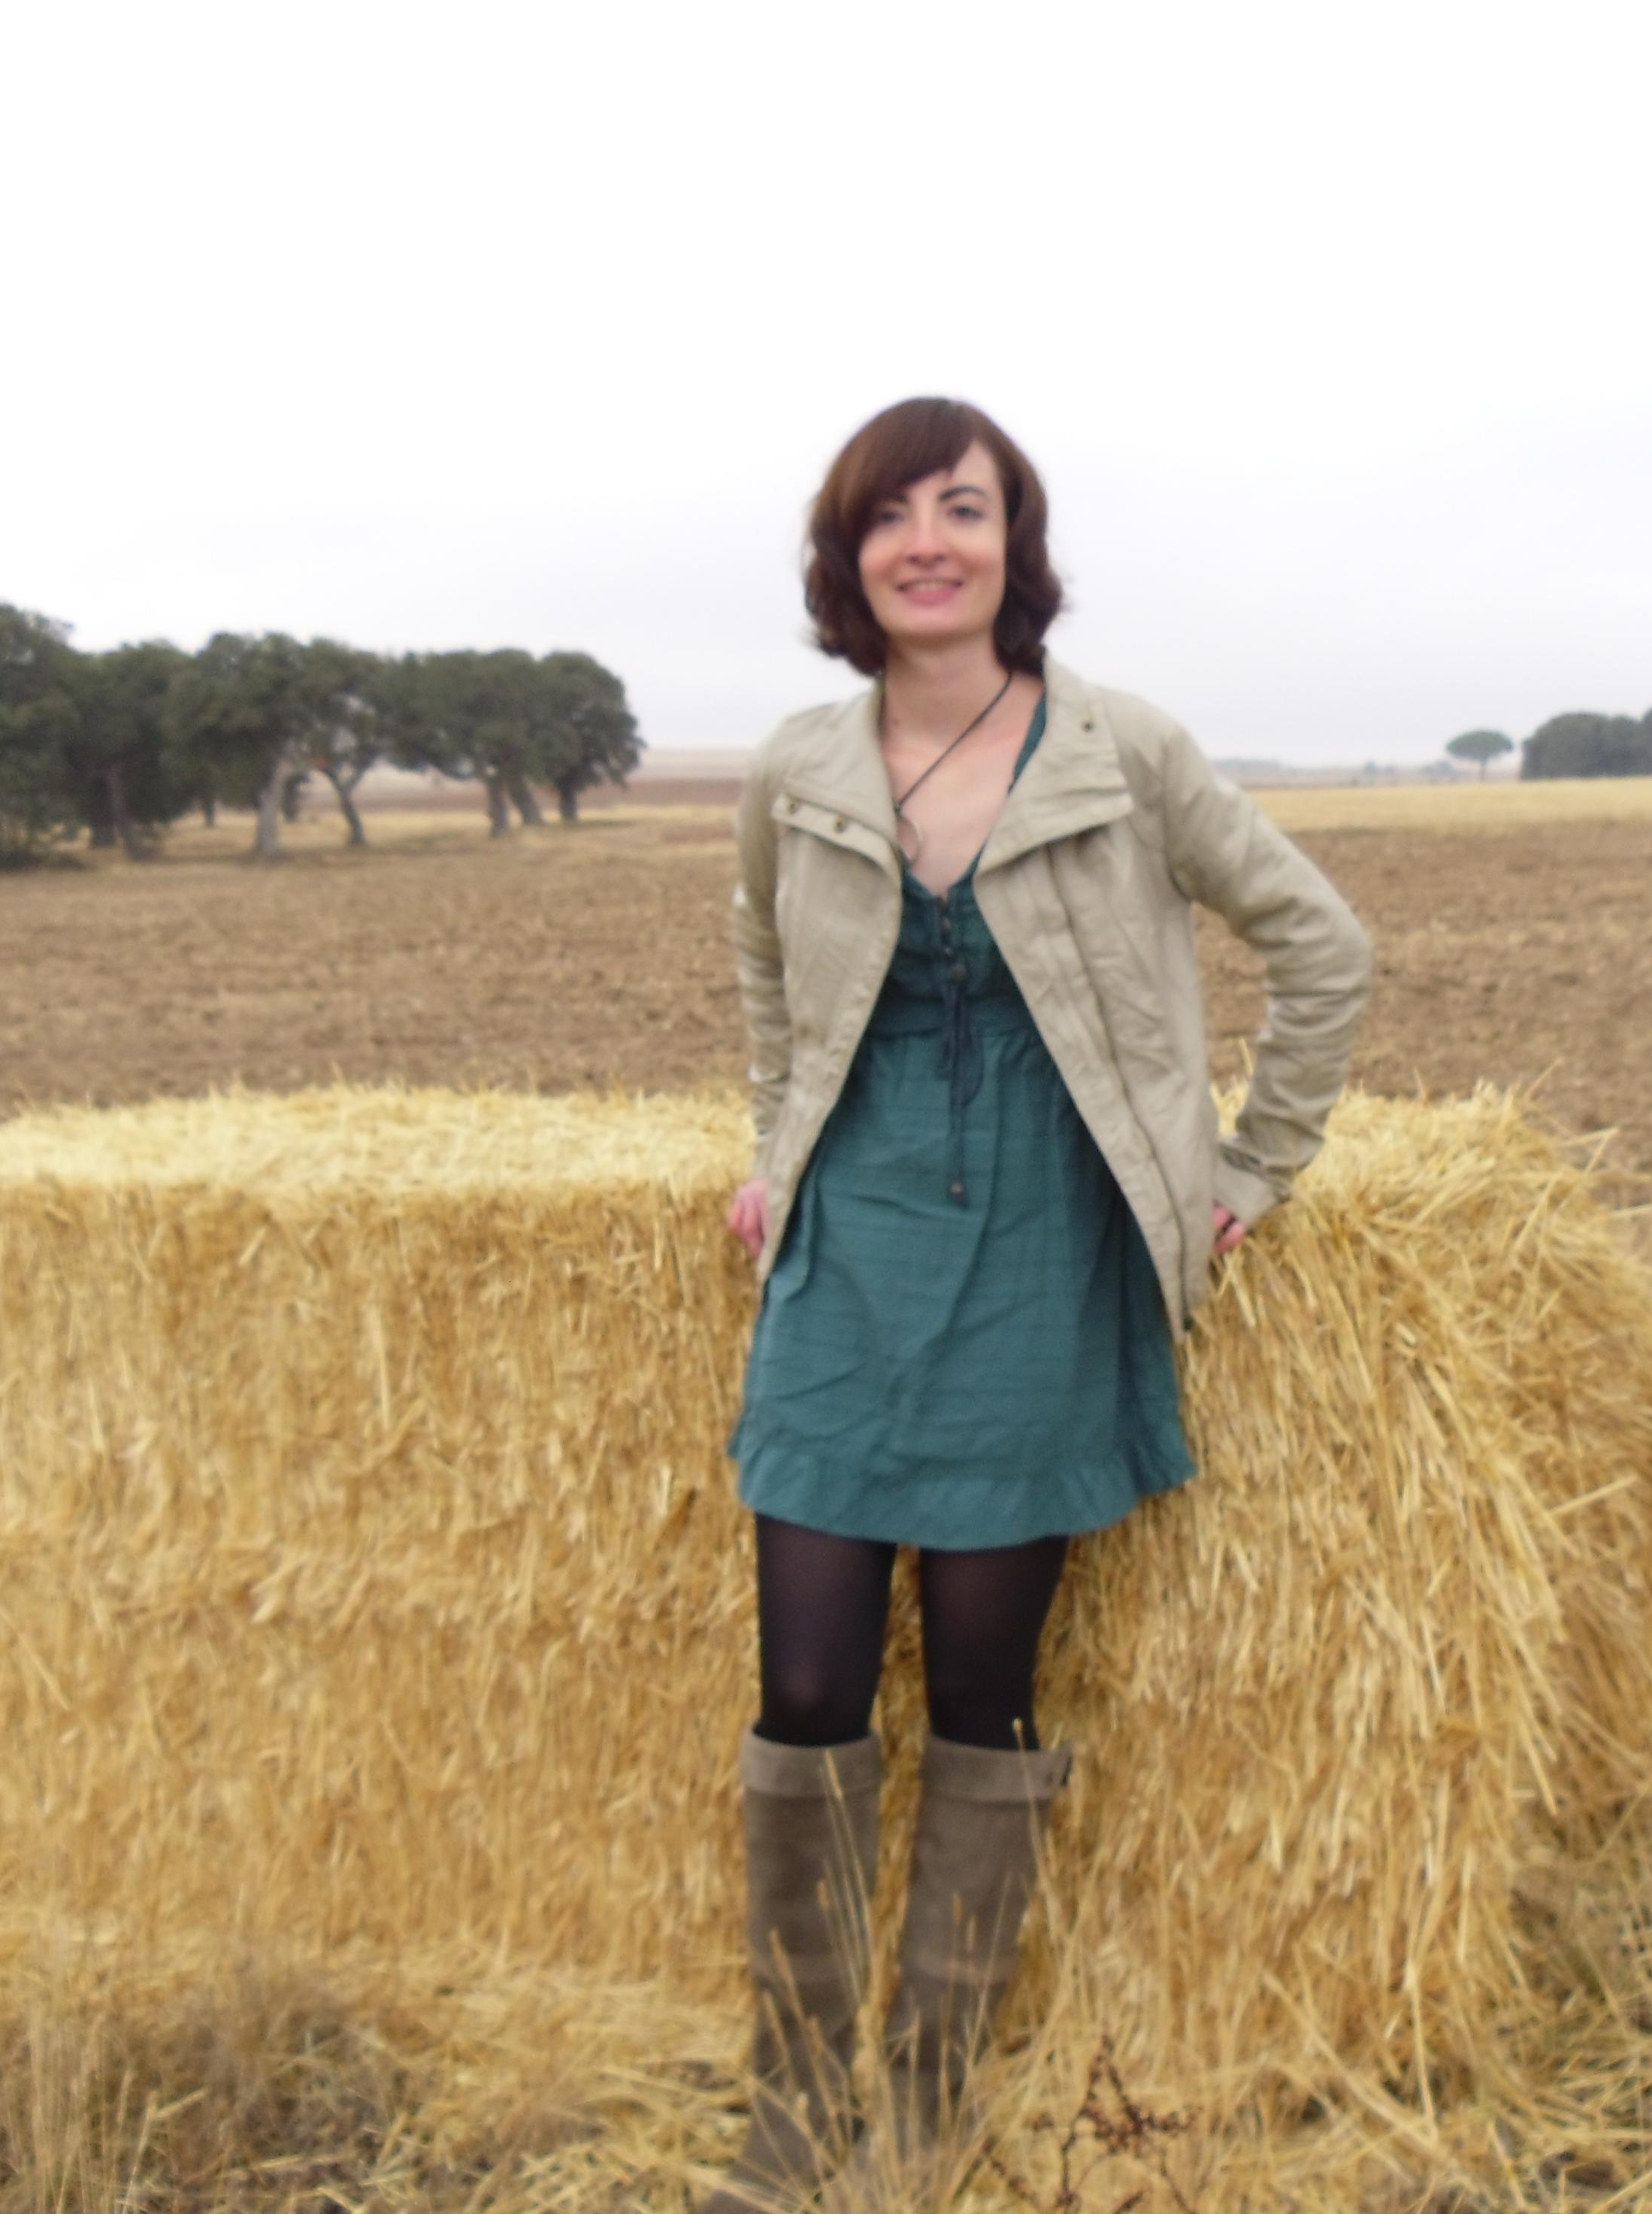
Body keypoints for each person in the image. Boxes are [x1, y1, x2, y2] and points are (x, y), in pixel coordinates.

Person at [705, 396, 1372, 2212]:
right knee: (812, 1680)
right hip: (854, 1252)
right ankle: (792, 2106)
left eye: (966, 508)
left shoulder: (1121, 749)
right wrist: (778, 1140)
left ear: (1018, 542)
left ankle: (922, 2098)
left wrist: (1252, 1170)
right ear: (846, 560)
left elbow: (1323, 945)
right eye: (890, 516)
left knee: (984, 1693)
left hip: (1049, 1252)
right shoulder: (799, 767)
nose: (929, 540)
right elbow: (770, 966)